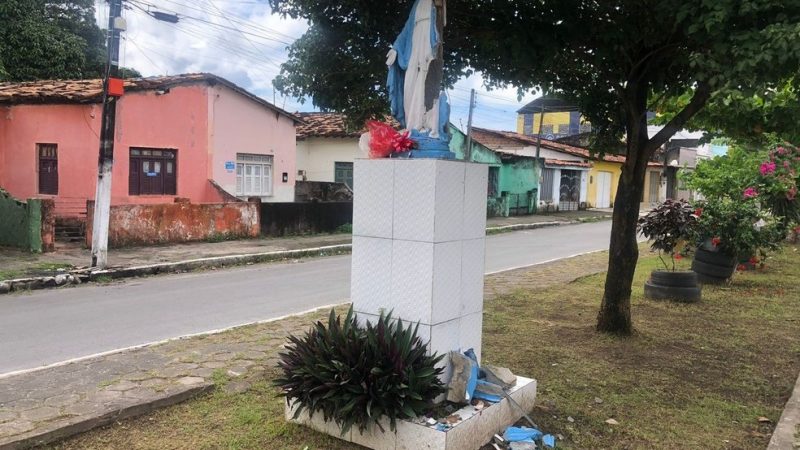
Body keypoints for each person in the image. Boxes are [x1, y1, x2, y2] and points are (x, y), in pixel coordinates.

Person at [386, 0, 452, 155]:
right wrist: (395, 48)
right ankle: (412, 125)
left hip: (428, 48)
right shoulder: (417, 4)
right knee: (409, 87)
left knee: (424, 85)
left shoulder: (437, 3)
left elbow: (441, 22)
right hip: (413, 49)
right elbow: (406, 29)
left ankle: (424, 125)